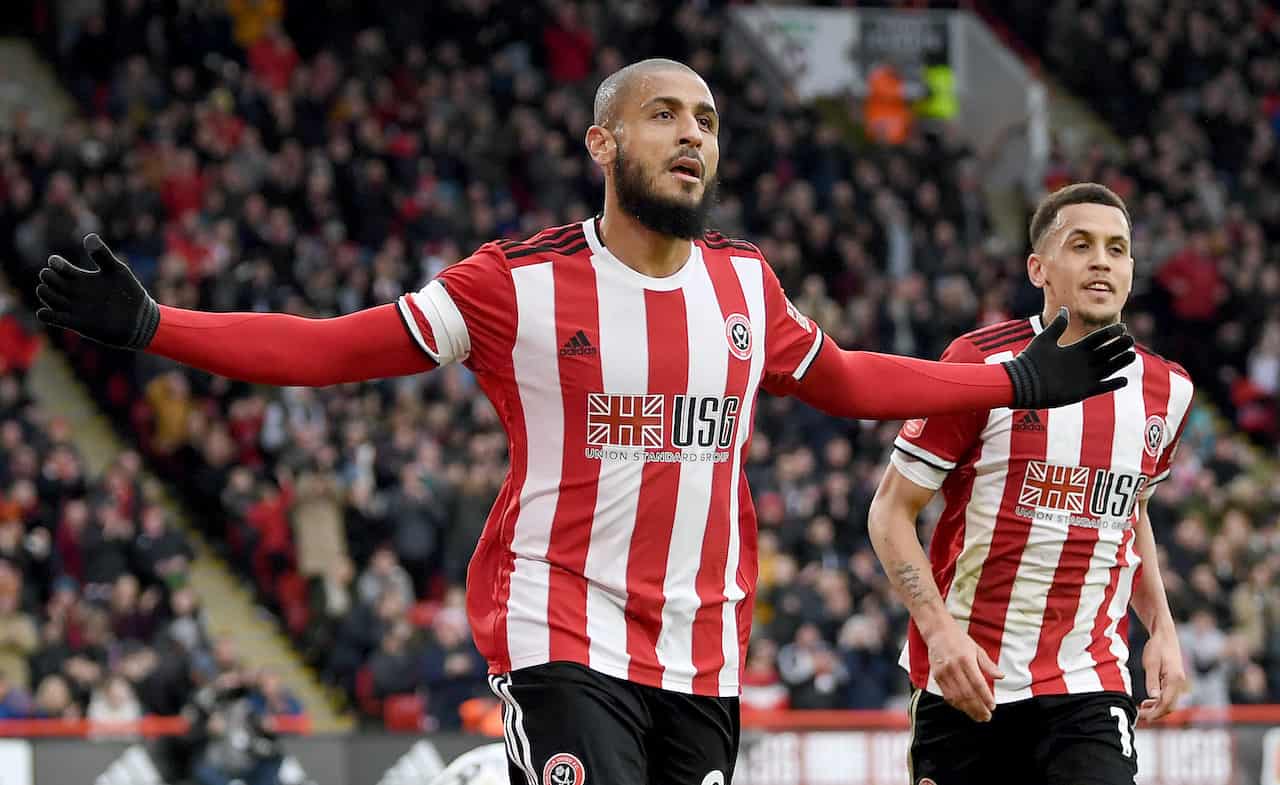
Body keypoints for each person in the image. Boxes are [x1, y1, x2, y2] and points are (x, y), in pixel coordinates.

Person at [33, 60, 1134, 785]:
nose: (691, 134)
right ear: (602, 144)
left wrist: (1014, 383)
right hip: (558, 623)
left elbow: (844, 379)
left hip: (701, 646)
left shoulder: (747, 286)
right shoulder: (511, 284)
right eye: (663, 115)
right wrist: (153, 323)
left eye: (705, 119)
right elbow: (335, 348)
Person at [868, 182, 1192, 785]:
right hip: (968, 681)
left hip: (1088, 683)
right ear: (1039, 268)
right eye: (1082, 245)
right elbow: (889, 513)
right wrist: (939, 636)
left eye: (1117, 249)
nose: (1102, 260)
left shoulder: (1167, 391)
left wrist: (1162, 629)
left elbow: (1131, 512)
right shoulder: (980, 365)